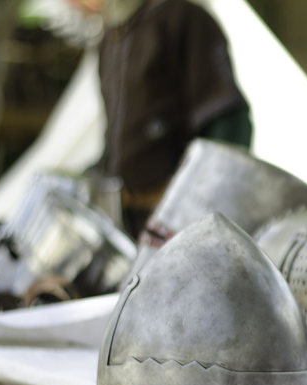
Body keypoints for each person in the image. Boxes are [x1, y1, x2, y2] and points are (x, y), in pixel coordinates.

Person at [71, 0, 252, 236]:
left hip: (179, 230)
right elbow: (119, 145)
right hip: (130, 225)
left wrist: (195, 209)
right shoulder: (110, 40)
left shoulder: (183, 19)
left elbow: (228, 123)